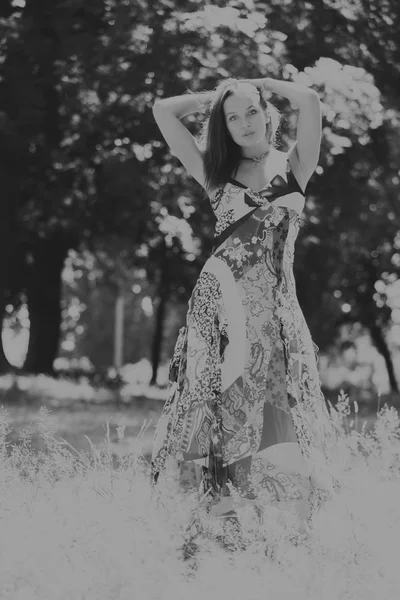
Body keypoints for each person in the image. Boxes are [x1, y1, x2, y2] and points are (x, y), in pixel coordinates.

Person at [150, 76, 339, 546]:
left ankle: (294, 528)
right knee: (220, 410)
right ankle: (220, 524)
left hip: (276, 310)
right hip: (221, 311)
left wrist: (265, 82)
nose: (243, 123)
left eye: (251, 111)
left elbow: (310, 100)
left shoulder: (296, 165)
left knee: (284, 407)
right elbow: (162, 111)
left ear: (267, 112)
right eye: (231, 118)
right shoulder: (215, 170)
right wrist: (218, 96)